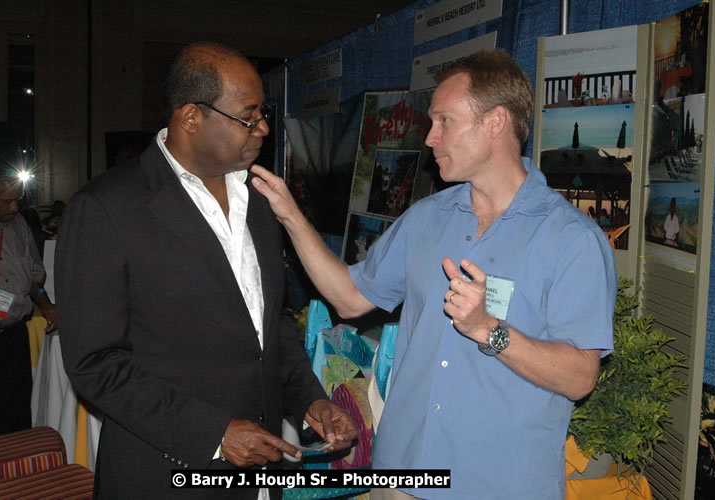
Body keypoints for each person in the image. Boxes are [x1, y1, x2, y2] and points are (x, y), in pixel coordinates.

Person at [251, 49, 617, 499]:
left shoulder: (571, 239)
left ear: (496, 122)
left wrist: (487, 329)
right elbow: (349, 297)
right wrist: (290, 216)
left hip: (497, 486)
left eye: (444, 121)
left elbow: (580, 376)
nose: (430, 138)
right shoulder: (426, 218)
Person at [55, 41, 356, 500]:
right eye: (249, 115)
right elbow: (95, 363)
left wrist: (308, 399)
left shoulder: (260, 201)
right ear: (192, 117)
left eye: (263, 113)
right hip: (165, 474)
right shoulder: (106, 209)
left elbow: (267, 325)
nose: (264, 127)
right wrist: (213, 433)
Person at [0, 166, 57, 441]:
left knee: (13, 427)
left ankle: (8, 484)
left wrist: (45, 303)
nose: (16, 206)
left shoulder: (17, 225)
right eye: (7, 200)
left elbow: (32, 275)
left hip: (14, 340)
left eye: (18, 199)